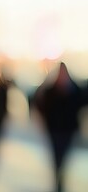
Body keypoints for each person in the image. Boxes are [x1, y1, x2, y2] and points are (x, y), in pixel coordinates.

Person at [36, 62, 83, 192]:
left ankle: (60, 179)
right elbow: (41, 105)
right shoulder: (51, 91)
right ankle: (58, 180)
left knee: (64, 157)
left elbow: (80, 105)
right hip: (54, 130)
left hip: (68, 130)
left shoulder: (74, 91)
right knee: (56, 157)